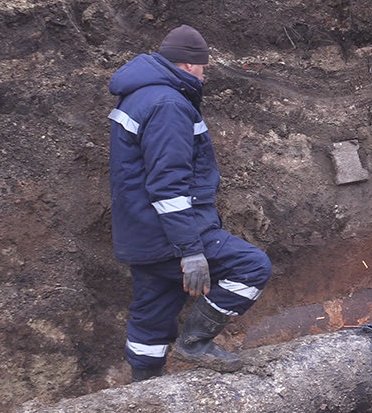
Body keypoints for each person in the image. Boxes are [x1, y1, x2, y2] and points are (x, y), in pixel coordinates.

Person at [107, 25, 272, 382]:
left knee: (151, 317)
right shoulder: (168, 105)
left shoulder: (138, 95)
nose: (204, 74)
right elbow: (168, 186)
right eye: (203, 67)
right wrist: (191, 249)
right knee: (252, 267)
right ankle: (195, 343)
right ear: (187, 65)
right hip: (169, 235)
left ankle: (142, 393)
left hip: (141, 234)